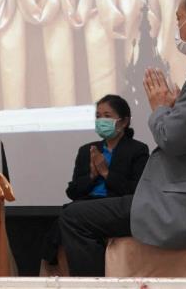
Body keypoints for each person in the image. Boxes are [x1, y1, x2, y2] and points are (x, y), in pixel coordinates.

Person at [60, 0, 186, 276]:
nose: (178, 27)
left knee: (74, 218)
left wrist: (160, 107)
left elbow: (172, 138)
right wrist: (176, 109)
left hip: (181, 203)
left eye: (179, 19)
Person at [41, 95, 149, 266]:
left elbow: (136, 191)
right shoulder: (87, 150)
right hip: (85, 204)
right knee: (64, 220)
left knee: (67, 222)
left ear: (124, 122)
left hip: (116, 207)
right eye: (98, 116)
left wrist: (106, 172)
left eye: (107, 116)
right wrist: (92, 175)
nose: (101, 121)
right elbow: (73, 192)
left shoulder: (137, 150)